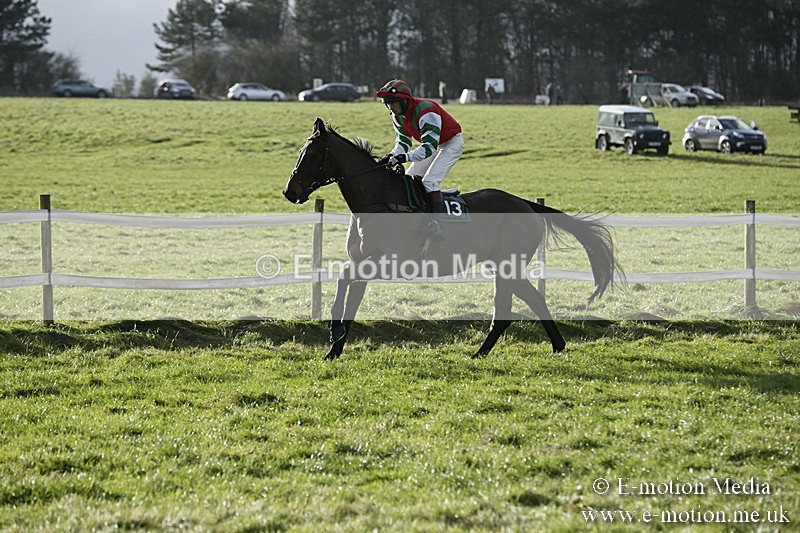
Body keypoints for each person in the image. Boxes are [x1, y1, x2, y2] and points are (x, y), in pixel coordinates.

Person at [376, 79, 464, 238]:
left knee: (429, 182)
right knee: (408, 179)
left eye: (393, 103)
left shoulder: (426, 112)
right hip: (433, 144)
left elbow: (429, 147)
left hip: (451, 143)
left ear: (404, 100)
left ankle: (435, 224)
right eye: (387, 104)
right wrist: (392, 156)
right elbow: (403, 142)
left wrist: (404, 157)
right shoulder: (398, 116)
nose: (390, 108)